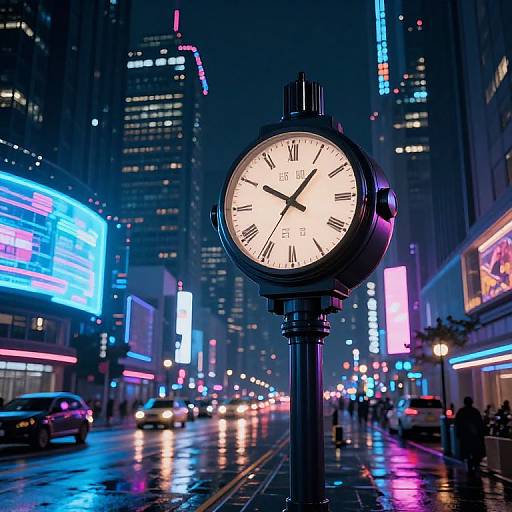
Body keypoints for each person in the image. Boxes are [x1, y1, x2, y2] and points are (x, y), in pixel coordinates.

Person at [455, 397, 485, 474]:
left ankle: (470, 466)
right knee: (475, 451)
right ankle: (476, 465)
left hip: (466, 436)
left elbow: (458, 424)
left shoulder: (461, 412)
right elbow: (480, 424)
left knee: (467, 452)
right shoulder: (475, 411)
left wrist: (459, 434)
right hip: (474, 436)